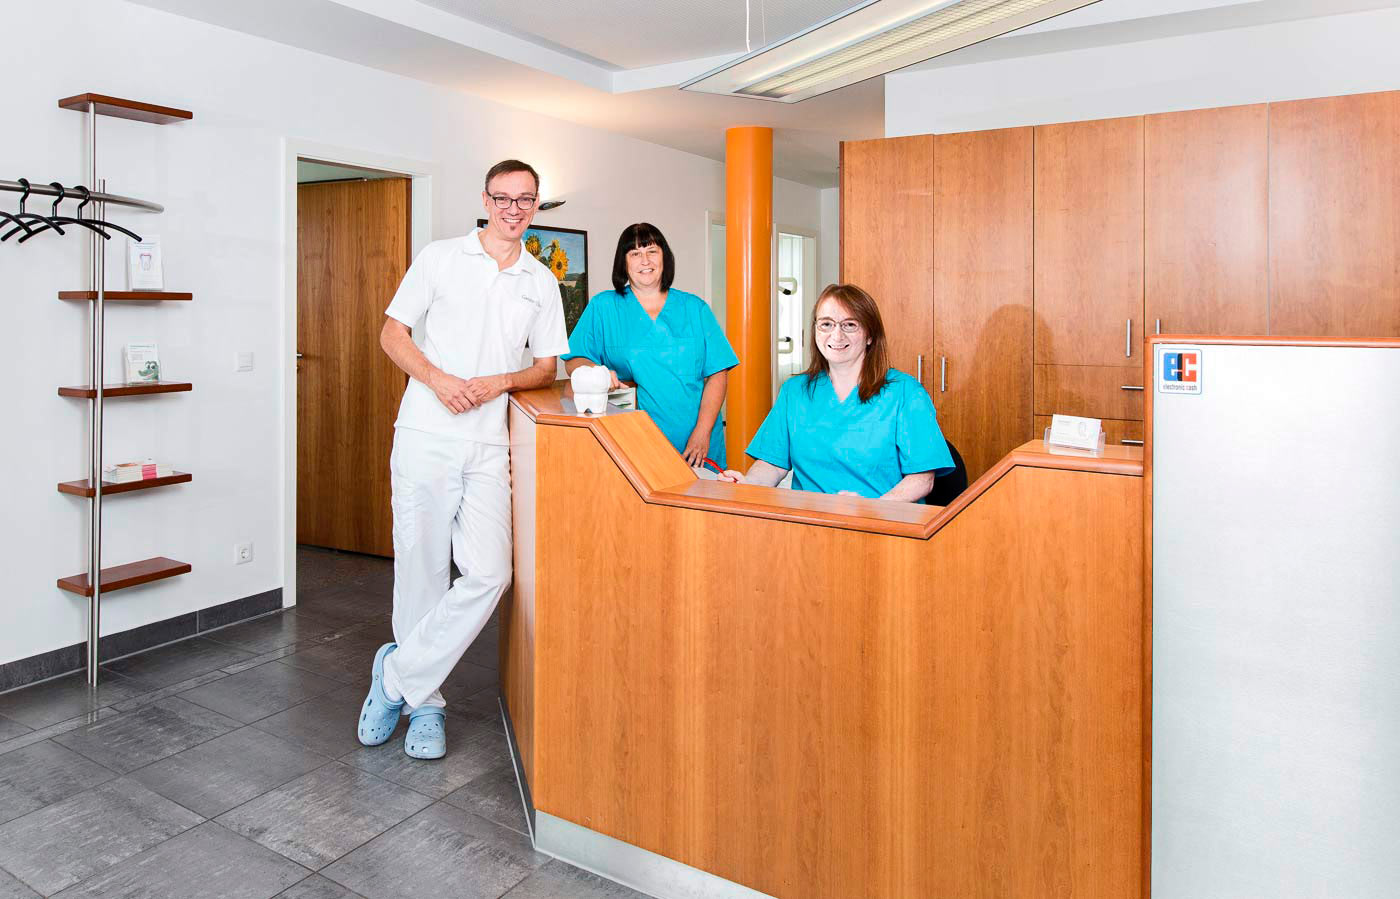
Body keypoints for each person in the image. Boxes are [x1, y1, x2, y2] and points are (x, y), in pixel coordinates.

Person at [357, 159, 569, 760]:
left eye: (524, 200)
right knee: (421, 569)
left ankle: (396, 675)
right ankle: (426, 705)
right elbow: (392, 334)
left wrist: (500, 380)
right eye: (503, 198)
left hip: (488, 442)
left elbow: (545, 367)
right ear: (485, 200)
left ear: (536, 205)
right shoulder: (441, 257)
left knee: (491, 573)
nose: (512, 209)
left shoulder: (540, 281)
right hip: (426, 432)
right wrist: (438, 379)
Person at [721, 283, 953, 502]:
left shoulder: (905, 392)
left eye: (850, 325)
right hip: (811, 521)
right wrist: (748, 484)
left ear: (870, 335)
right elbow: (773, 465)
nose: (837, 335)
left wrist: (873, 509)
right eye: (826, 324)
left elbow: (922, 479)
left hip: (881, 521)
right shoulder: (795, 391)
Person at [561, 223, 738, 467]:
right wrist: (597, 372)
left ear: (664, 257)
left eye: (652, 251)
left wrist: (702, 432)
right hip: (634, 440)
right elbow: (574, 361)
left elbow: (718, 373)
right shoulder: (604, 307)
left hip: (697, 443)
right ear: (624, 262)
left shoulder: (695, 308)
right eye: (635, 253)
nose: (645, 260)